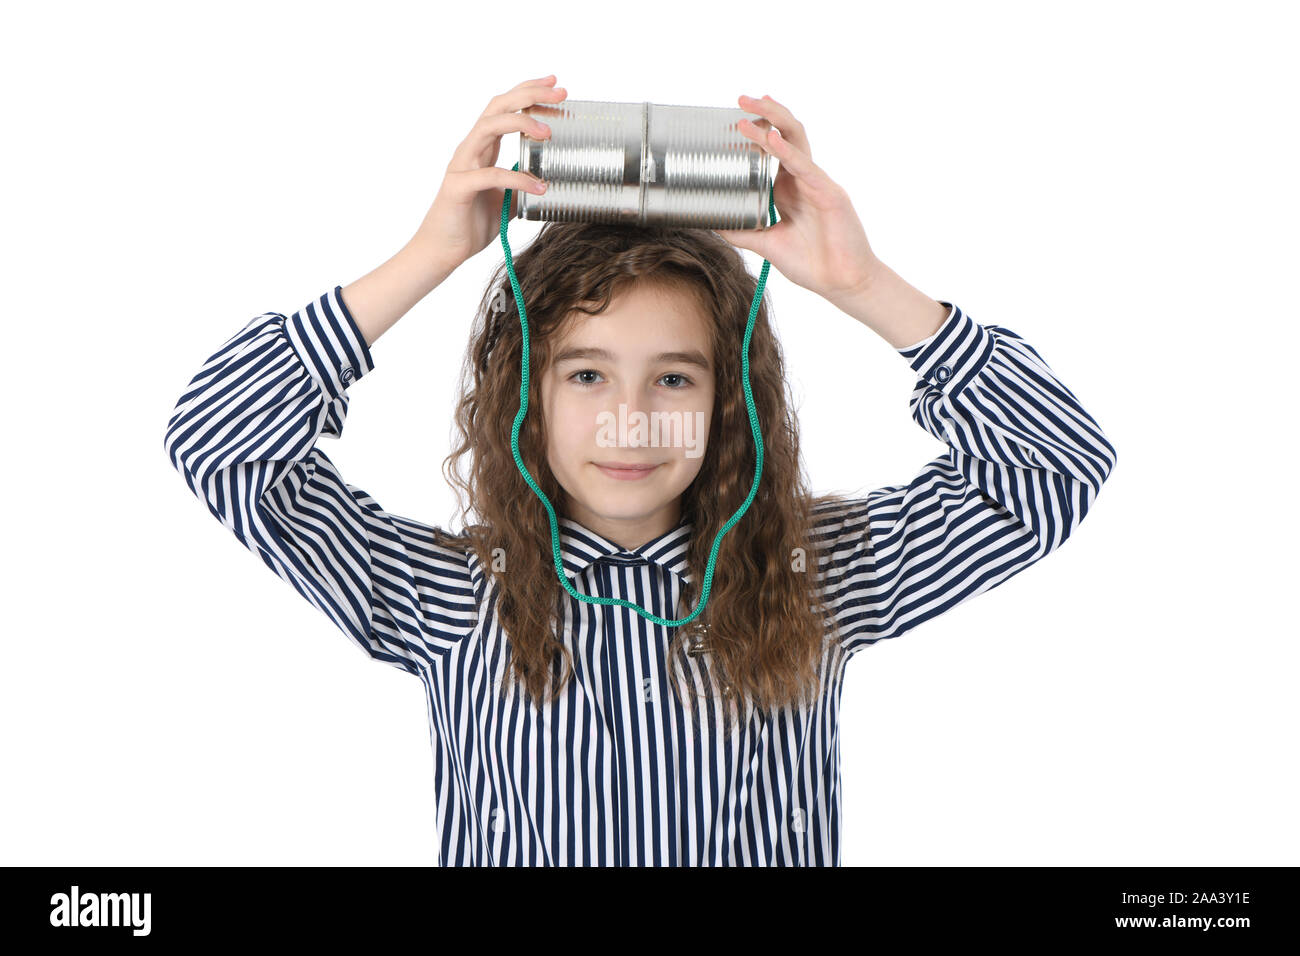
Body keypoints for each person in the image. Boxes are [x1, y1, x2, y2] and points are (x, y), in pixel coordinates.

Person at [163, 75, 1117, 865]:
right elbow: (218, 440)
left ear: (727, 400)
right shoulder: (447, 596)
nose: (632, 419)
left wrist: (864, 287)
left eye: (673, 375)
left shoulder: (818, 576)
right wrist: (433, 253)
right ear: (525, 399)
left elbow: (1055, 463)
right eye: (586, 373)